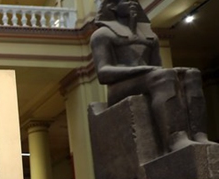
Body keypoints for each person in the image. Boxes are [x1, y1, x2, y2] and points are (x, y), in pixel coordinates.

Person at [90, 0, 213, 153]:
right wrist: (143, 69)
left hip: (147, 79)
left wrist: (153, 70)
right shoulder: (102, 35)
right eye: (126, 1)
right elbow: (103, 73)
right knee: (163, 77)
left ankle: (199, 135)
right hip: (119, 87)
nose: (132, 3)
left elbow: (158, 67)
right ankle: (175, 139)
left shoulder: (151, 37)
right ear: (112, 7)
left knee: (192, 74)